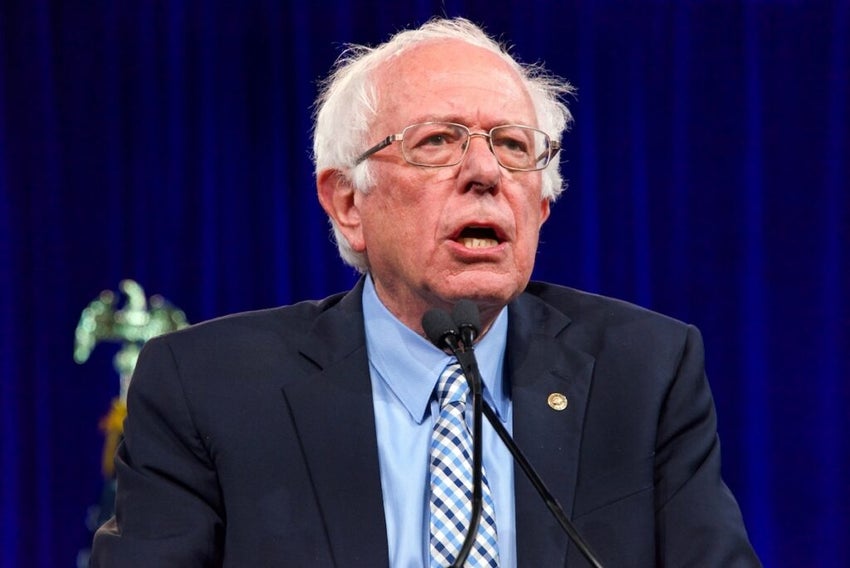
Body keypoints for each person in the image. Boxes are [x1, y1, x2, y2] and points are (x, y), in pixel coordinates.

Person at [91, 17, 760, 567]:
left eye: (513, 146)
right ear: (347, 201)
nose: (484, 172)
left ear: (541, 208)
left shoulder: (644, 373)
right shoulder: (207, 386)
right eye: (439, 141)